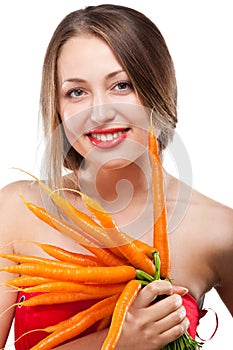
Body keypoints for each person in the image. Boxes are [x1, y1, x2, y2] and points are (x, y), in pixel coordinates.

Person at [0, 4, 232, 349]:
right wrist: (116, 342)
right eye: (76, 92)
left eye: (121, 85)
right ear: (59, 107)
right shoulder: (17, 209)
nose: (100, 112)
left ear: (157, 91)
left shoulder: (218, 231)